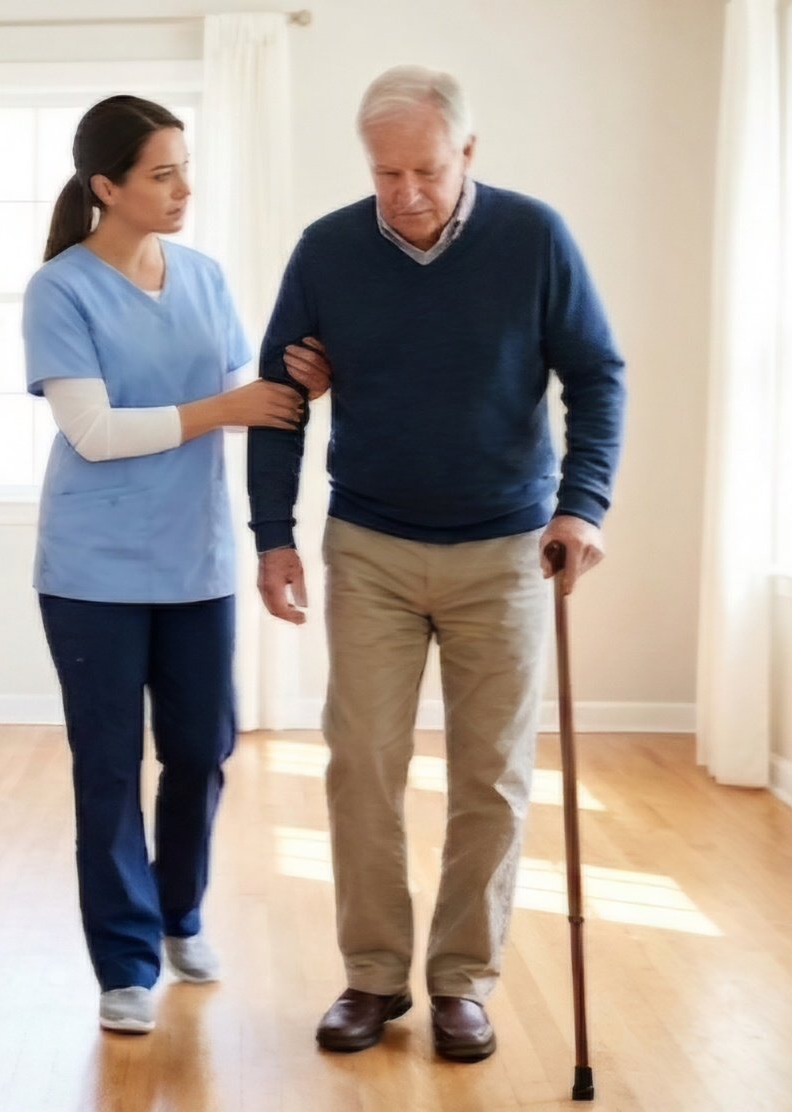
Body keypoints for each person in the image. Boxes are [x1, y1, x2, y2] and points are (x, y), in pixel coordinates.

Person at [248, 65, 626, 1062]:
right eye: (385, 174)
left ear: (467, 153)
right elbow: (280, 393)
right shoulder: (327, 250)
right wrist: (272, 534)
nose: (405, 194)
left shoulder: (534, 238)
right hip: (368, 542)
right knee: (362, 765)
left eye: (425, 168)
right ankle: (373, 974)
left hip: (504, 548)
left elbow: (596, 374)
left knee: (489, 776)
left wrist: (581, 504)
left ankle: (461, 979)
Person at [22, 94, 325, 1034]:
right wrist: (220, 413)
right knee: (108, 768)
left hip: (196, 563)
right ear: (105, 188)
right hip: (92, 572)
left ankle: (179, 913)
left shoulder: (203, 276)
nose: (183, 187)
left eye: (184, 167)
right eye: (161, 173)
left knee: (202, 751)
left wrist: (299, 384)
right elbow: (95, 430)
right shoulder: (60, 289)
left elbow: (246, 397)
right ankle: (122, 960)